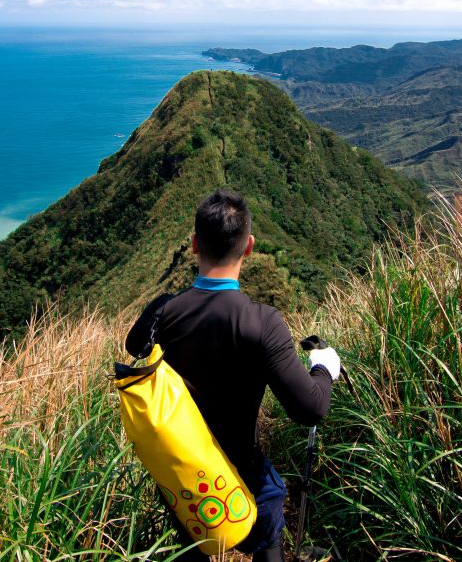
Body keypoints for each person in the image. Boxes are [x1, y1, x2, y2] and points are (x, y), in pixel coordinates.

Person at [126, 189, 341, 561]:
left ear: (194, 244)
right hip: (244, 474)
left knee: (190, 544)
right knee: (267, 522)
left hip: (183, 477)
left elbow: (134, 346)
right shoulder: (262, 323)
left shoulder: (163, 312)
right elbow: (311, 409)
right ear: (250, 247)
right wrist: (324, 368)